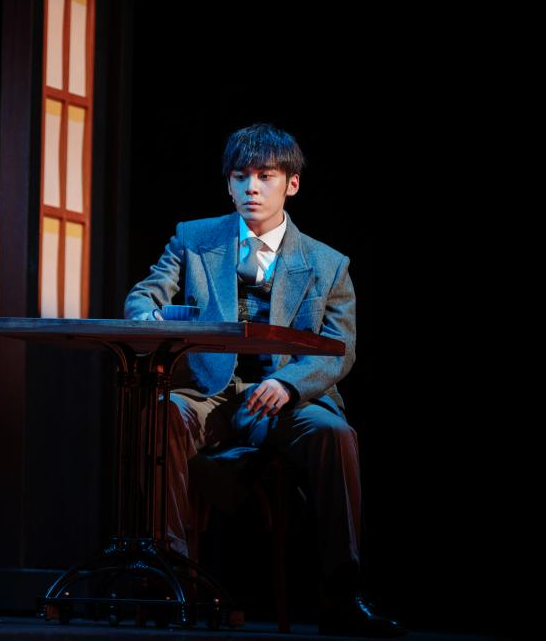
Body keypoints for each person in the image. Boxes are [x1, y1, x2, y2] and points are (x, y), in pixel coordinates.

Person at [124, 123, 401, 637]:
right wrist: (150, 319)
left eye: (265, 176)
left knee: (335, 435)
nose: (252, 187)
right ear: (228, 184)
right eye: (241, 176)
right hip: (209, 394)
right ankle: (172, 578)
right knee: (162, 412)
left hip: (285, 400)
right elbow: (145, 296)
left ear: (291, 184)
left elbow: (340, 348)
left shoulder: (327, 263)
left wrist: (290, 384)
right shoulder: (194, 239)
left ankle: (341, 593)